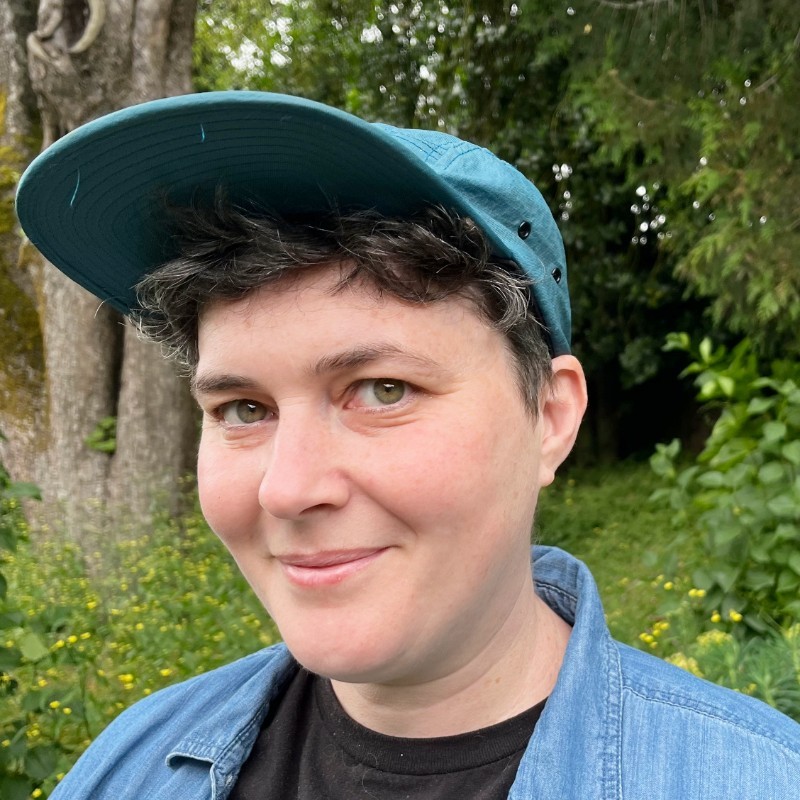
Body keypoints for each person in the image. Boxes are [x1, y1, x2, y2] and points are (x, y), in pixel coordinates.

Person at [16, 91, 800, 799]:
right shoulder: (130, 766)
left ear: (551, 417)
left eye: (382, 391)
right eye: (243, 407)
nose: (286, 489)